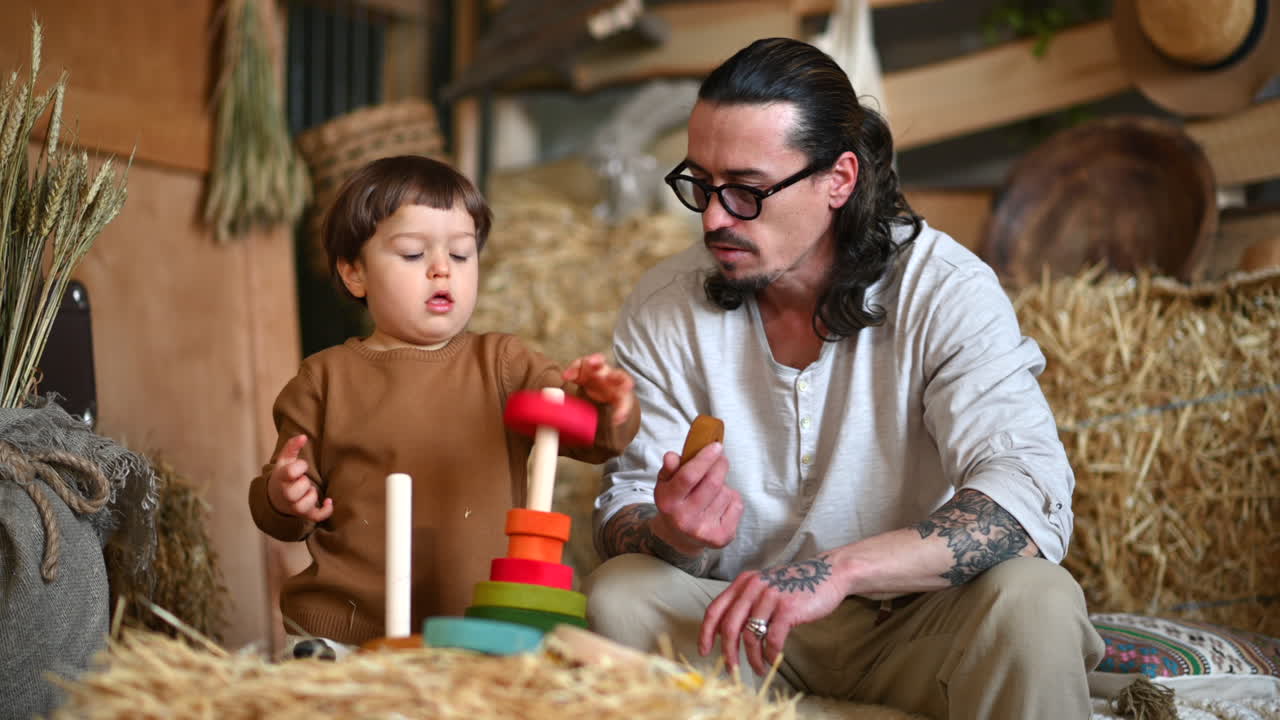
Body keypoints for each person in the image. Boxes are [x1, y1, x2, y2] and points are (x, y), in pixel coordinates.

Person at [583, 38, 1104, 719]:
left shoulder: (945, 290)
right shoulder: (664, 306)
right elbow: (623, 509)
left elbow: (1026, 495)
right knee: (620, 594)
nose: (713, 217)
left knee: (1038, 600)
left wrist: (842, 569)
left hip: (920, 628)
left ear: (840, 179)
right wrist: (669, 534)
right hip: (746, 637)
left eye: (746, 189)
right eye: (700, 184)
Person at [248, 155, 640, 655]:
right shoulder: (323, 379)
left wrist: (607, 406)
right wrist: (285, 496)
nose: (441, 270)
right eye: (413, 254)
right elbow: (281, 511)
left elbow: (590, 437)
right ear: (354, 274)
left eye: (461, 254)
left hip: (478, 625)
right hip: (350, 628)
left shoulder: (505, 364)